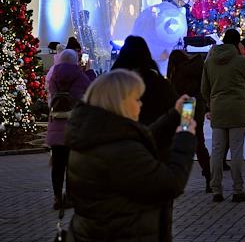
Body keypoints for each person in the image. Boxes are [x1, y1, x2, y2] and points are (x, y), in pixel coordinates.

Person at [65, 70, 196, 242]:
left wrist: (174, 116)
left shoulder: (93, 137)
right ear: (120, 102)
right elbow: (170, 184)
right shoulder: (117, 150)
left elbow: (140, 141)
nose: (141, 104)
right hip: (124, 233)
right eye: (136, 99)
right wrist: (185, 137)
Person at [201, 29, 245, 203]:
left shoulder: (210, 61)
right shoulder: (239, 60)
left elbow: (204, 88)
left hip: (218, 109)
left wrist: (211, 103)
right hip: (237, 109)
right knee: (236, 151)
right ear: (237, 43)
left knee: (217, 151)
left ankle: (216, 190)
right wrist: (242, 54)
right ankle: (237, 190)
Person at [112, 36, 177, 153]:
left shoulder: (114, 82)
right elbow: (176, 111)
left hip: (122, 146)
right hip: (157, 144)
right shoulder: (159, 83)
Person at [46, 48, 93, 209]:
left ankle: (57, 197)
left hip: (56, 125)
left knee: (57, 166)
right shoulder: (80, 76)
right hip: (75, 127)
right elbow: (89, 96)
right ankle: (70, 197)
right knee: (72, 166)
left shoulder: (53, 76)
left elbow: (50, 98)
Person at [166, 49, 211, 193]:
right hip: (199, 104)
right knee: (200, 141)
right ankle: (209, 174)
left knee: (185, 138)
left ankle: (181, 175)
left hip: (187, 106)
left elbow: (175, 92)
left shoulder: (179, 73)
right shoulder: (197, 66)